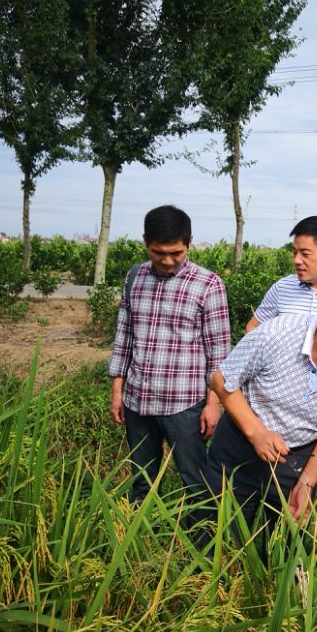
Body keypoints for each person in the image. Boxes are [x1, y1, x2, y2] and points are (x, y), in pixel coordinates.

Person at [203, 277, 317, 537]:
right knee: (217, 533)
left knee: (278, 543)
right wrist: (256, 433)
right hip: (238, 447)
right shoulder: (277, 334)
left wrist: (306, 482)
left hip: (294, 459)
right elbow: (222, 380)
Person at [108, 205, 231, 509]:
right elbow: (124, 334)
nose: (167, 260)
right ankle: (140, 536)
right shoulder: (135, 277)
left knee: (196, 480)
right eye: (158, 252)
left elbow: (219, 350)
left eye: (175, 252)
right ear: (145, 242)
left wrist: (213, 404)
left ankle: (201, 541)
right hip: (137, 400)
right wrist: (117, 390)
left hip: (184, 405)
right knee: (142, 478)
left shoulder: (208, 284)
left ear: (190, 241)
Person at [243, 215, 317, 538]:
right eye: (294, 251)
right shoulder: (283, 289)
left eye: (305, 253)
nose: (296, 260)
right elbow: (253, 331)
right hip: (283, 419)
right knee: (275, 500)